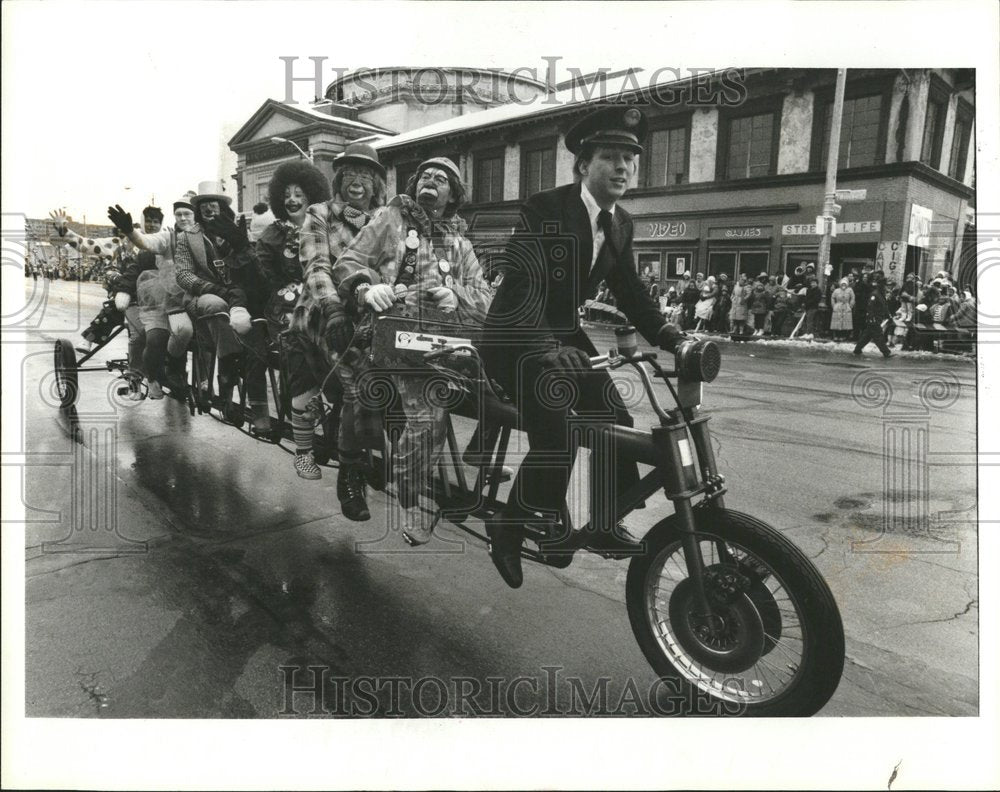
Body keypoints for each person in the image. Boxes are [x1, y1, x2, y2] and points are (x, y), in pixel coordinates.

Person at [478, 106, 685, 589]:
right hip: (516, 337)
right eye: (611, 157)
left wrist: (675, 337)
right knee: (559, 430)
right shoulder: (546, 208)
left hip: (563, 336)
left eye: (631, 160)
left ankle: (606, 520)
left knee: (618, 417)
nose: (623, 168)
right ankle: (507, 529)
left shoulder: (621, 224)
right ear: (583, 165)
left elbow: (633, 293)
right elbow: (524, 287)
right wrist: (547, 347)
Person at [334, 156, 491, 544]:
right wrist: (368, 288)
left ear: (453, 194)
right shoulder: (390, 219)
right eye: (426, 176)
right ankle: (409, 499)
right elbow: (348, 260)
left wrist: (455, 295)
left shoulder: (460, 242)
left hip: (445, 345)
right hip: (392, 336)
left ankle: (465, 471)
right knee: (425, 419)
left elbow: (486, 299)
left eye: (442, 179)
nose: (431, 182)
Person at [288, 144, 385, 521]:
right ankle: (350, 473)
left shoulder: (384, 218)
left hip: (373, 311)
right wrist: (331, 306)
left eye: (365, 175)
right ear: (339, 179)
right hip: (323, 312)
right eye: (350, 174)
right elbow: (315, 265)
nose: (357, 181)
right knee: (358, 377)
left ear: (375, 181)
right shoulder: (320, 214)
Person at [174, 181, 260, 411]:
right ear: (199, 211)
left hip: (237, 294)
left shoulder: (234, 230)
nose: (210, 211)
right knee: (218, 306)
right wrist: (212, 289)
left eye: (215, 205)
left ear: (222, 208)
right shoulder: (187, 237)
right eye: (205, 207)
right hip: (203, 297)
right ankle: (228, 371)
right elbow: (183, 275)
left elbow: (254, 266)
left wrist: (241, 242)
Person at [107, 201, 198, 393]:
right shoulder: (165, 238)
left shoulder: (202, 237)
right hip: (157, 298)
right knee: (149, 337)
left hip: (191, 297)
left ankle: (185, 375)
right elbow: (143, 247)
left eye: (187, 214)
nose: (183, 218)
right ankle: (149, 377)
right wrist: (130, 230)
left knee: (192, 337)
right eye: (179, 214)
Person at [853, 272, 892, 358]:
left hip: (878, 318)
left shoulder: (881, 295)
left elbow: (884, 306)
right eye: (886, 286)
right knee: (878, 336)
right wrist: (871, 318)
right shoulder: (875, 294)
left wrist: (888, 315)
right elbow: (870, 307)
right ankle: (886, 352)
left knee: (867, 335)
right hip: (873, 318)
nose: (887, 288)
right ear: (881, 286)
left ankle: (857, 349)